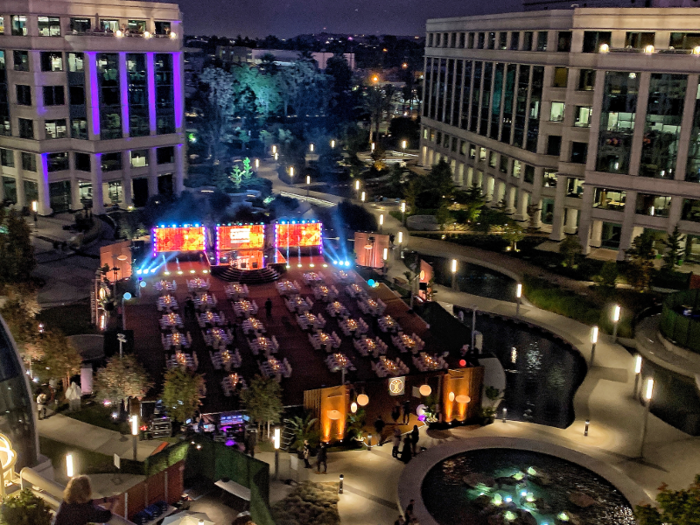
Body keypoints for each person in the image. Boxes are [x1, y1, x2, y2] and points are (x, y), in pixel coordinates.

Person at [53, 475, 117, 525]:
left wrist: (104, 500)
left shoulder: (66, 502)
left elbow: (88, 503)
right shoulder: (84, 510)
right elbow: (105, 517)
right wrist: (114, 503)